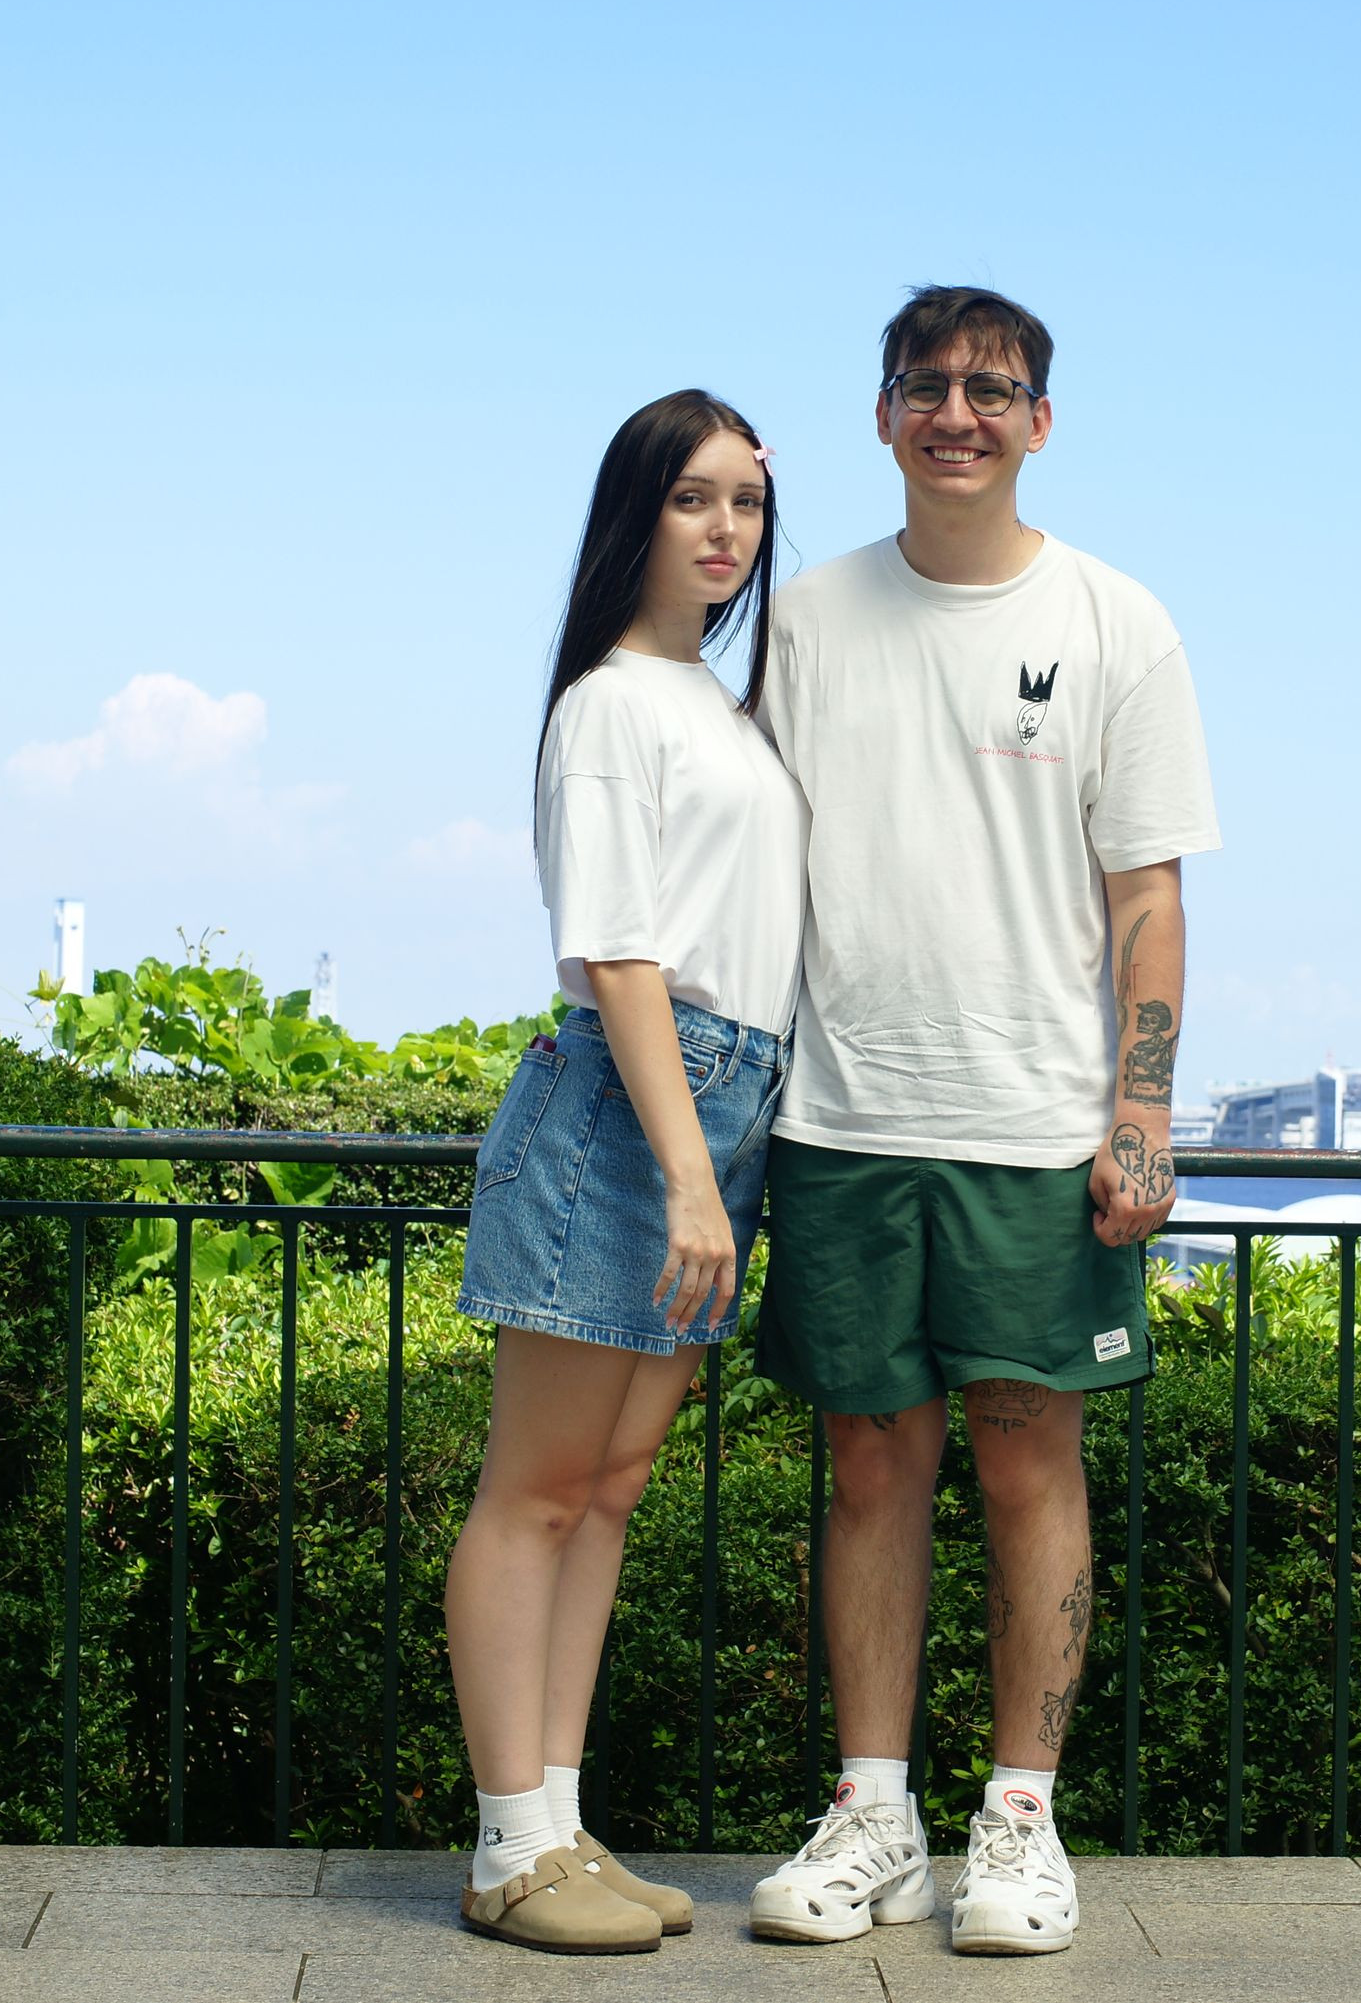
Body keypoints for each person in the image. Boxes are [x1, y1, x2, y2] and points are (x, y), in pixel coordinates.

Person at [745, 287, 1218, 1955]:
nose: (959, 412)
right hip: (841, 1117)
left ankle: (1018, 1822)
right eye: (928, 384)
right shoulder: (804, 619)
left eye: (992, 388)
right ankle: (872, 1814)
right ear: (883, 413)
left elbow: (1145, 896)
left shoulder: (1115, 621)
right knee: (868, 1466)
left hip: (1034, 1125)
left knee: (1030, 1460)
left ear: (1038, 421)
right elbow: (745, 859)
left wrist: (1139, 1111)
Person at [443, 389, 804, 1955]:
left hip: (721, 1101)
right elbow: (617, 947)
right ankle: (506, 1850)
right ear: (633, 514)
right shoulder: (607, 703)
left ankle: (560, 1820)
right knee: (532, 1492)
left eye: (746, 501)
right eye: (691, 497)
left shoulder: (720, 705)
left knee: (608, 1489)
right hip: (632, 1110)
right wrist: (689, 1175)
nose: (726, 528)